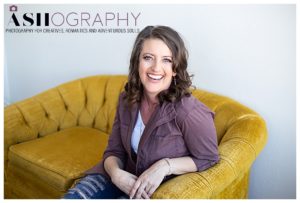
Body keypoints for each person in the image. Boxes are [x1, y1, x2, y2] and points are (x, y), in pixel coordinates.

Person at [62, 25, 219, 199]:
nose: (156, 68)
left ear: (175, 69)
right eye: (148, 58)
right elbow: (114, 151)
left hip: (151, 190)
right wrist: (116, 174)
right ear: (137, 62)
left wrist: (165, 166)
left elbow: (208, 157)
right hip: (119, 177)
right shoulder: (127, 99)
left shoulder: (189, 111)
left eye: (166, 60)